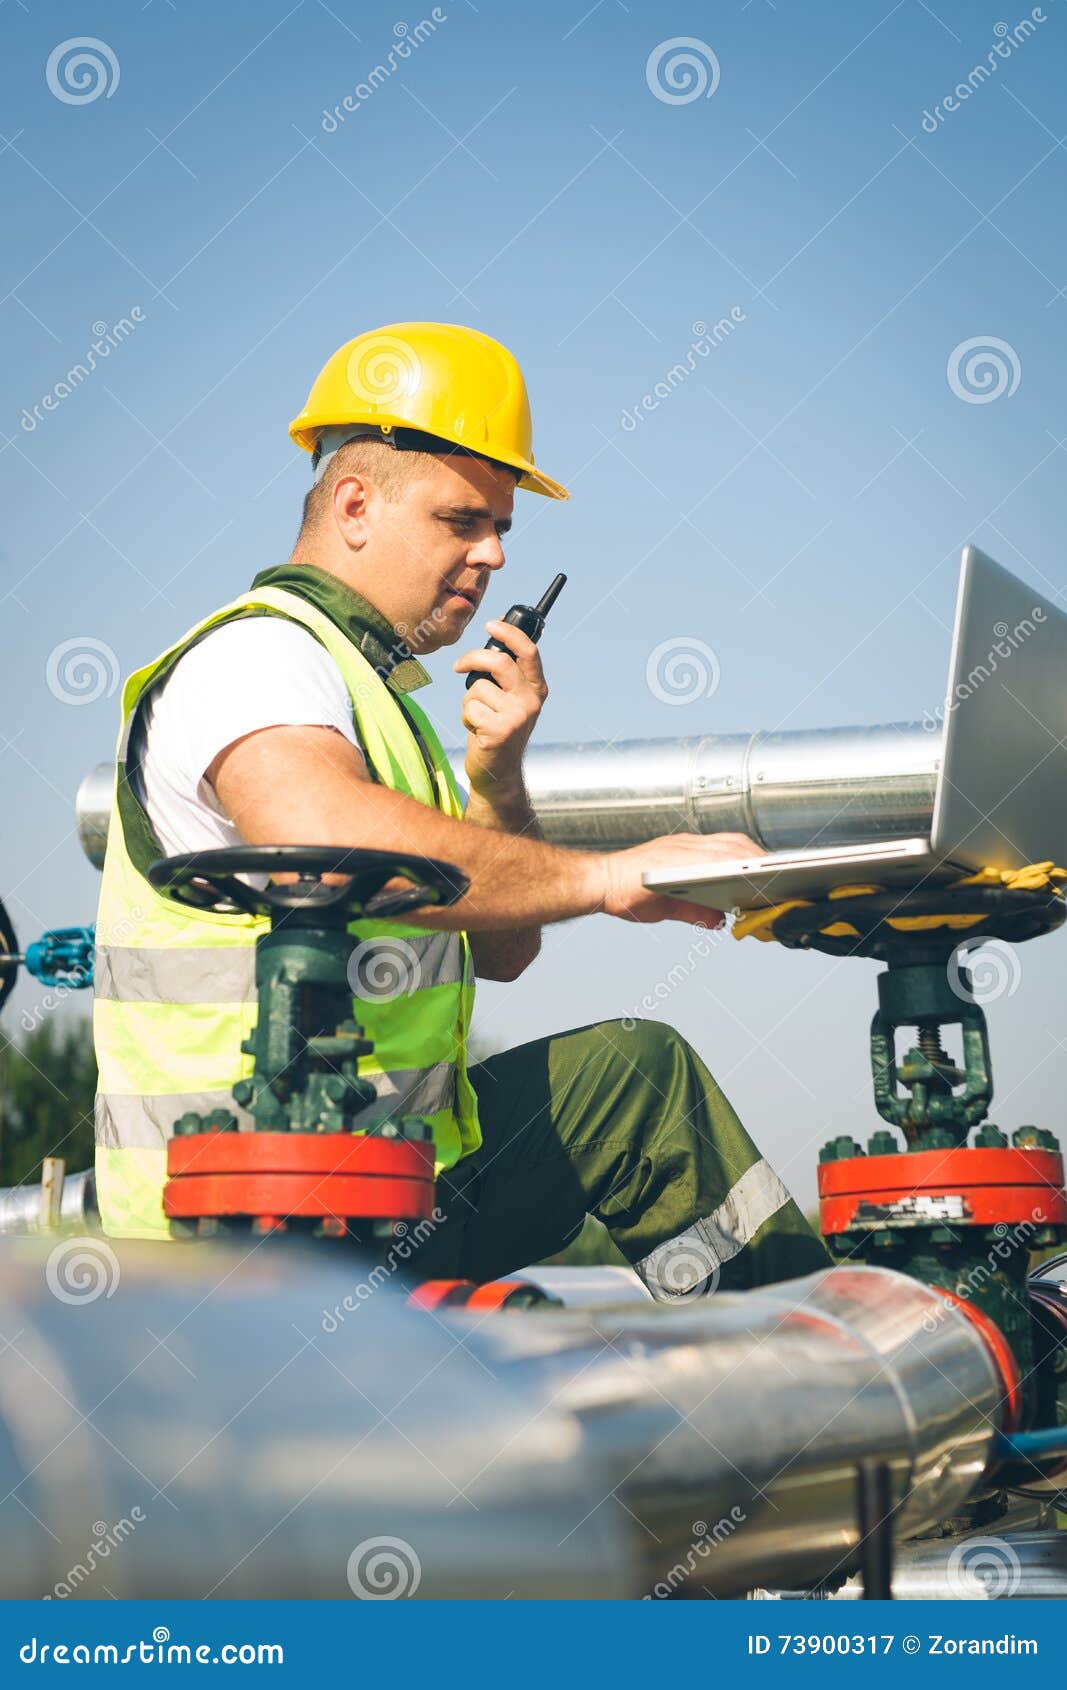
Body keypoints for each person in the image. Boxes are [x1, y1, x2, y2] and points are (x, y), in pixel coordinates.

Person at [92, 320, 827, 1296]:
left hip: (386, 1184)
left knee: (630, 1078)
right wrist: (607, 876)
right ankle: (841, 1381)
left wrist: (494, 774)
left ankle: (810, 1353)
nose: (490, 558)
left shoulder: (377, 705)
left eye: (501, 531)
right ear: (354, 504)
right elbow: (318, 832)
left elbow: (506, 953)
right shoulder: (256, 657)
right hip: (227, 1229)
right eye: (461, 521)